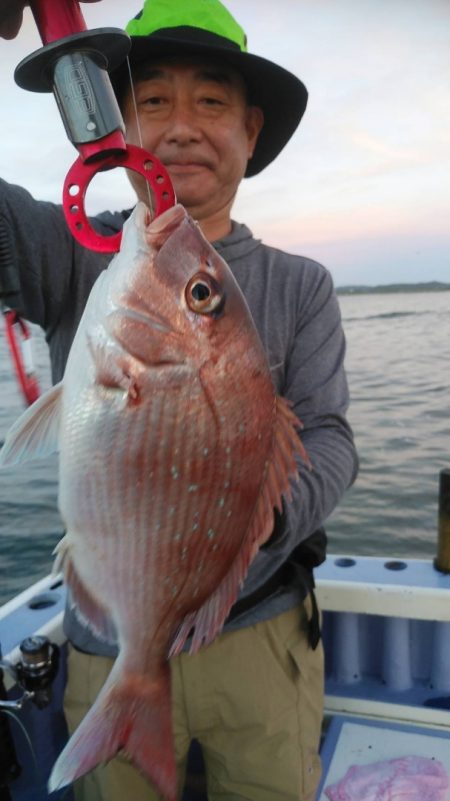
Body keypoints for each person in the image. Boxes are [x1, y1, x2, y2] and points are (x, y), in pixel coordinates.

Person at [0, 1, 358, 799]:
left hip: (263, 636)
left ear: (251, 129)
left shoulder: (302, 286)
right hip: (107, 637)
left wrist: (237, 528)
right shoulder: (74, 252)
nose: (182, 125)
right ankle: (139, 685)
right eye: (153, 99)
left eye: (212, 101)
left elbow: (330, 439)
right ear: (116, 125)